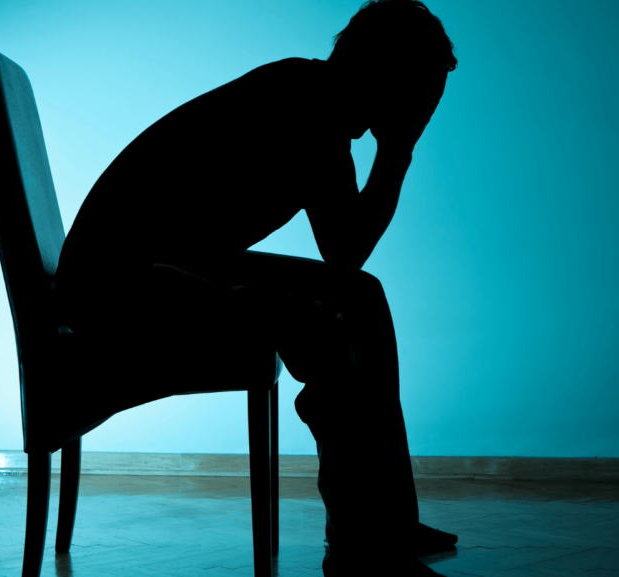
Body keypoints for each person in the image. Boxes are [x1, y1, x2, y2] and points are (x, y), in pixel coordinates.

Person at [54, 0, 459, 575]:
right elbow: (345, 248)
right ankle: (363, 546)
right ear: (387, 77)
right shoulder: (306, 106)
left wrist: (396, 149)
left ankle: (383, 523)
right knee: (327, 317)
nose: (425, 111)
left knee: (360, 297)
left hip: (150, 271)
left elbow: (346, 257)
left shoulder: (310, 96)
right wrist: (397, 151)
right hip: (122, 288)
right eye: (422, 96)